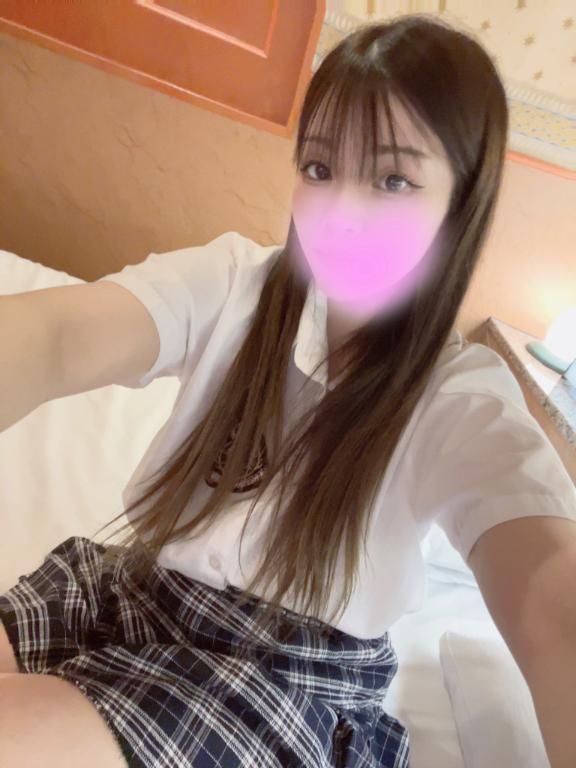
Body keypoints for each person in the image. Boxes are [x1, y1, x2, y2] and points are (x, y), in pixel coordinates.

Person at [3, 12, 575, 768]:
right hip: (132, 592)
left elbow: (549, 597)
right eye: (318, 168)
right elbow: (58, 337)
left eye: (394, 179)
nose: (340, 212)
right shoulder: (235, 285)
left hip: (279, 678)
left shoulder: (459, 399)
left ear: (458, 205)